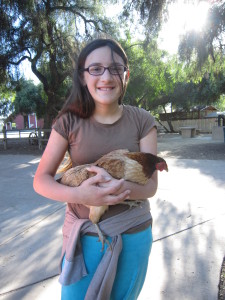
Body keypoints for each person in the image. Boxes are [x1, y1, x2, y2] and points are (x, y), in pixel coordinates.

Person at [33, 38, 158, 300]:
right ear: (82, 76)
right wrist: (83, 196)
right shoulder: (68, 122)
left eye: (115, 68)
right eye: (96, 68)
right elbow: (41, 181)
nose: (106, 77)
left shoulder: (143, 121)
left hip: (134, 235)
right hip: (88, 237)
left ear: (126, 75)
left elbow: (150, 186)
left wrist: (116, 189)